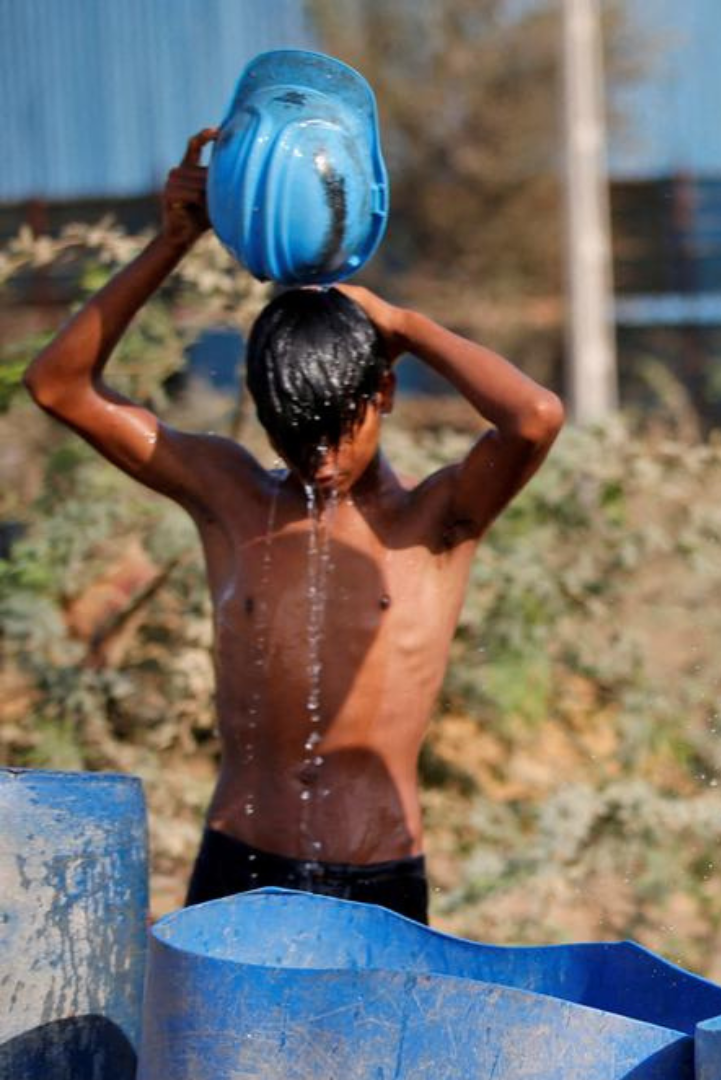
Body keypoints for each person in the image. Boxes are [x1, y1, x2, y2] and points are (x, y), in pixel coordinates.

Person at [23, 130, 565, 922]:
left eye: (335, 430)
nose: (315, 460)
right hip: (240, 863)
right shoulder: (228, 495)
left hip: (379, 879)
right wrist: (171, 243)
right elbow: (58, 386)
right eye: (290, 435)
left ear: (384, 393)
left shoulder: (439, 521)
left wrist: (404, 324)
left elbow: (535, 417)